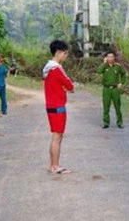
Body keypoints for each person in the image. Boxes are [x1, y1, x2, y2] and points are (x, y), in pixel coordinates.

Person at [43, 40, 75, 174]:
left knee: (56, 136)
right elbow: (70, 85)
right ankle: (55, 166)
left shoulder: (48, 68)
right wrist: (66, 88)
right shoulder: (56, 69)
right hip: (57, 106)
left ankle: (54, 165)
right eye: (65, 53)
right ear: (59, 52)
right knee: (57, 137)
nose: (66, 56)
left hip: (52, 105)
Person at [98, 51, 126, 129]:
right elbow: (99, 71)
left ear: (114, 58)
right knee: (106, 106)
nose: (110, 58)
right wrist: (104, 63)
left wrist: (121, 83)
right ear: (106, 58)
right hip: (106, 89)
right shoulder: (104, 66)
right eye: (108, 57)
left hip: (115, 89)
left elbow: (123, 74)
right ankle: (106, 123)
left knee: (117, 106)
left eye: (112, 57)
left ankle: (120, 122)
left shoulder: (117, 66)